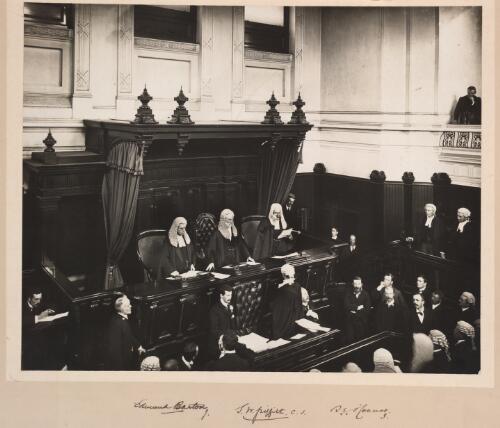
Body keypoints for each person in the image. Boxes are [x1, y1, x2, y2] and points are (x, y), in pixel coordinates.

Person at [104, 295, 145, 370]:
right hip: (122, 364)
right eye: (128, 305)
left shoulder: (122, 319)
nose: (131, 306)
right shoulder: (117, 323)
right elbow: (115, 349)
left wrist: (138, 346)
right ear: (121, 308)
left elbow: (128, 335)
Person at [22, 287, 55, 370]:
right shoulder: (21, 306)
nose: (39, 302)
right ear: (29, 299)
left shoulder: (38, 303)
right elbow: (22, 320)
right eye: (36, 299)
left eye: (40, 299)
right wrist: (39, 317)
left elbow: (46, 306)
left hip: (37, 333)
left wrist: (48, 310)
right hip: (24, 337)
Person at [271, 264, 303, 340]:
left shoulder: (281, 290)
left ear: (283, 275)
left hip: (283, 324)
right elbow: (299, 306)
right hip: (295, 322)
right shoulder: (297, 286)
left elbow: (276, 309)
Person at [208, 284, 236, 358]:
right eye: (227, 295)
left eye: (231, 295)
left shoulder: (231, 306)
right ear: (221, 295)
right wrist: (227, 338)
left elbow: (233, 326)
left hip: (231, 340)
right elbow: (214, 331)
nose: (230, 298)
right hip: (219, 343)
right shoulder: (214, 310)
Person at [343, 277, 371, 344]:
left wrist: (353, 311)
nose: (357, 286)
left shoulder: (366, 294)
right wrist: (358, 308)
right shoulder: (348, 293)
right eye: (355, 284)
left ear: (361, 284)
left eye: (358, 284)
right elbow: (346, 306)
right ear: (352, 284)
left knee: (360, 341)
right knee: (350, 340)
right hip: (350, 321)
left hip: (361, 322)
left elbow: (367, 310)